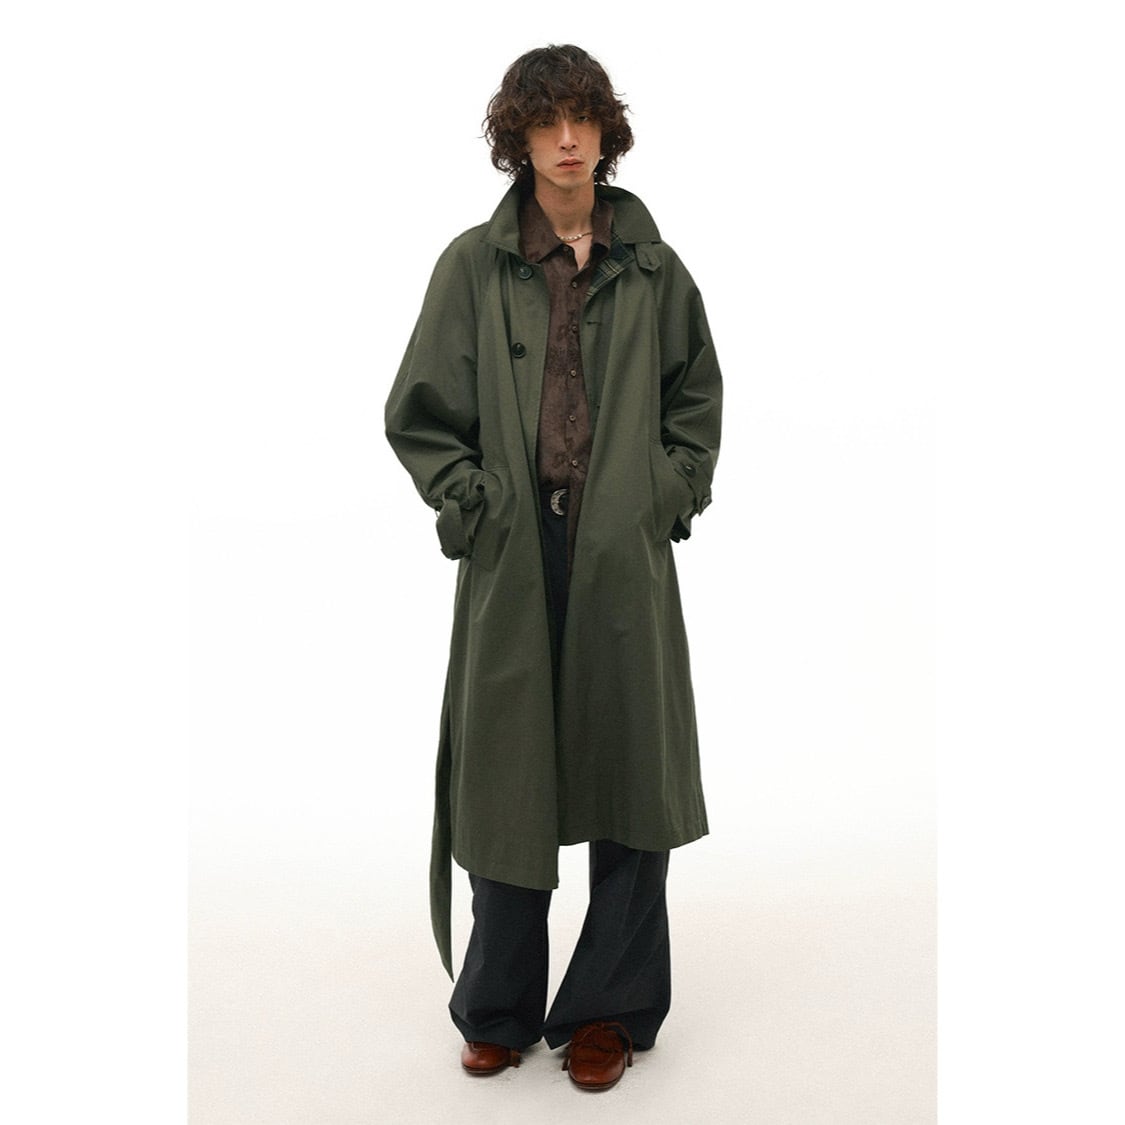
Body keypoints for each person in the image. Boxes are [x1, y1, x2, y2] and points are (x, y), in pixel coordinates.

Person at [384, 44, 722, 1092]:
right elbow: (420, 414)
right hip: (513, 557)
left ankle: (608, 1010)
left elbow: (695, 403)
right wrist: (474, 505)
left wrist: (663, 494)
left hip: (621, 558)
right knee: (506, 777)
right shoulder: (472, 267)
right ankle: (498, 1006)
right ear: (518, 137)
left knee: (630, 779)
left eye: (583, 118)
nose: (568, 139)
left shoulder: (654, 269)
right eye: (547, 120)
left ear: (605, 131)